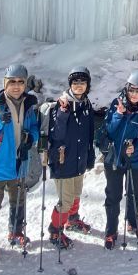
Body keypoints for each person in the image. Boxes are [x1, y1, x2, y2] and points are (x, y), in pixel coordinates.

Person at [0, 64, 40, 261]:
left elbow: (34, 128)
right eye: (12, 82)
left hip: (19, 163)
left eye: (20, 82)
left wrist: (31, 137)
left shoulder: (29, 106)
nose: (16, 86)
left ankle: (16, 231)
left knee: (19, 201)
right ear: (5, 83)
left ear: (25, 84)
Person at [102, 70, 138, 249]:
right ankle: (111, 229)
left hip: (135, 158)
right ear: (127, 88)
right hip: (115, 158)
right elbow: (108, 130)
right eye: (131, 90)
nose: (134, 94)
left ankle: (133, 220)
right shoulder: (116, 104)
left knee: (134, 193)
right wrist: (119, 115)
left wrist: (136, 146)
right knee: (113, 195)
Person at [46, 66, 96, 249]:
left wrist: (90, 155)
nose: (79, 85)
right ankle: (55, 229)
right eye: (75, 82)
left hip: (79, 159)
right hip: (63, 160)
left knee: (76, 193)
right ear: (70, 84)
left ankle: (72, 220)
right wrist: (63, 113)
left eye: (82, 82)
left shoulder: (86, 104)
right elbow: (56, 135)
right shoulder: (61, 105)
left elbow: (90, 132)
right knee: (65, 200)